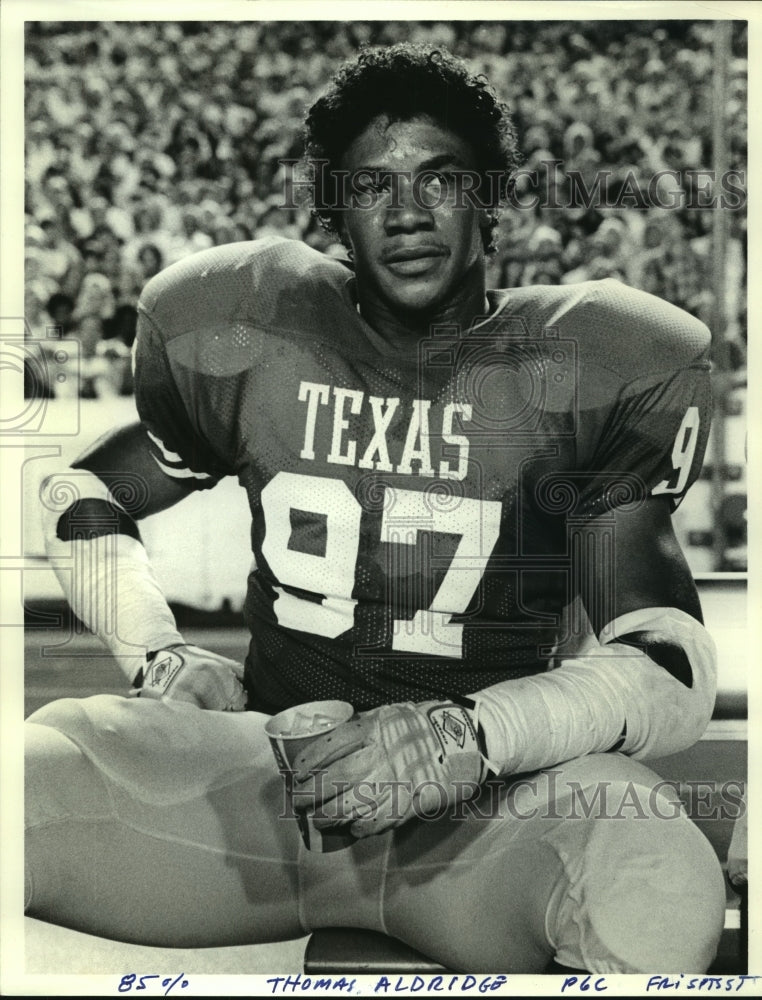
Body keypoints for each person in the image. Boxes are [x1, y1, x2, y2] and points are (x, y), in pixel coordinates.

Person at [26, 43, 725, 973]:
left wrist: (467, 737)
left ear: (491, 197)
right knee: (27, 780)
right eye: (370, 186)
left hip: (488, 813)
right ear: (335, 211)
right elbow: (83, 493)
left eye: (440, 180)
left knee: (653, 875)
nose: (406, 213)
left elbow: (670, 665)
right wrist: (158, 651)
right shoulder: (251, 324)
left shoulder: (587, 362)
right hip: (269, 784)